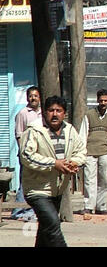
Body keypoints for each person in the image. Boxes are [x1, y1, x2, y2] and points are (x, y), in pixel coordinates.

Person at [19, 96, 86, 247]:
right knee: (53, 225)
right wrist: (54, 164)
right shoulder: (34, 131)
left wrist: (73, 163)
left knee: (45, 229)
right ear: (44, 113)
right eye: (51, 110)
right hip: (37, 190)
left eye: (58, 111)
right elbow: (26, 156)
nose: (54, 114)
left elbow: (81, 151)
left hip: (57, 190)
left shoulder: (70, 130)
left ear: (64, 114)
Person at [79, 89, 107, 215]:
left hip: (104, 152)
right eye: (101, 100)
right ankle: (89, 206)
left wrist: (106, 141)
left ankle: (101, 206)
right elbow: (83, 133)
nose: (103, 103)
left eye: (105, 101)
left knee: (103, 180)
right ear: (97, 100)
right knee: (89, 179)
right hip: (90, 152)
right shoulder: (89, 115)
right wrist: (83, 151)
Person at [11, 86, 42, 221]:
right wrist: (23, 152)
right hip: (27, 154)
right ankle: (18, 210)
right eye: (30, 96)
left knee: (37, 183)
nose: (33, 98)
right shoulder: (23, 113)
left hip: (40, 155)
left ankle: (31, 210)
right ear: (27, 98)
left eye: (35, 95)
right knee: (25, 182)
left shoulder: (43, 114)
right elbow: (18, 134)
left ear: (39, 97)